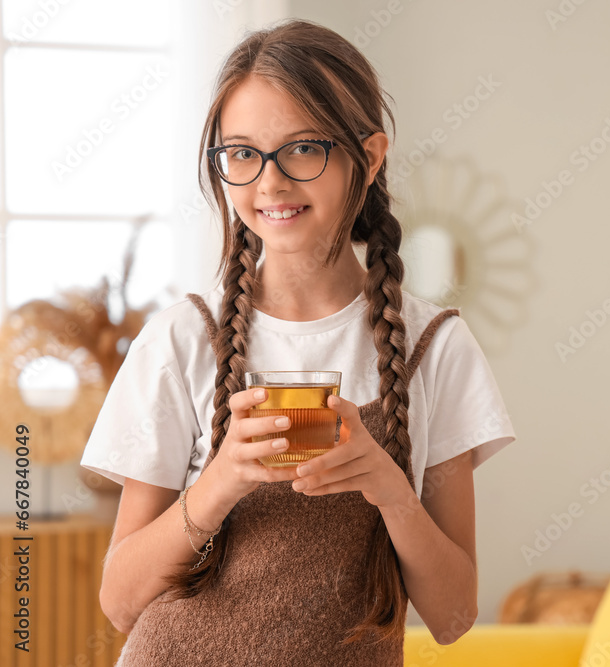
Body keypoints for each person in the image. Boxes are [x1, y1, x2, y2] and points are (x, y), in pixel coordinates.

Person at [79, 17, 516, 666]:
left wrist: (392, 490)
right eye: (242, 153)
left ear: (368, 157)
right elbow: (120, 601)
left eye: (302, 149)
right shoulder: (182, 338)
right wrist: (221, 480)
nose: (269, 183)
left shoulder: (435, 347)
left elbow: (453, 616)